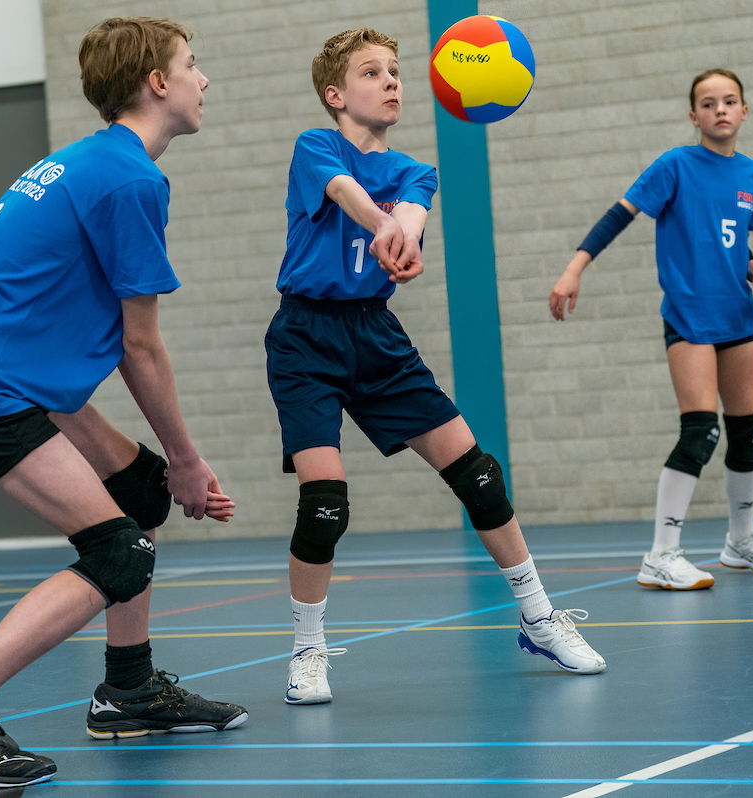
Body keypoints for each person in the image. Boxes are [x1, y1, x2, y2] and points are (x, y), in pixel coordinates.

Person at [0, 17, 247, 788]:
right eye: (192, 64)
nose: (203, 79)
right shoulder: (129, 178)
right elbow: (139, 345)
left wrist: (160, 469)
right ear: (156, 82)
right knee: (118, 550)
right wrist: (187, 459)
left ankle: (129, 691)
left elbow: (92, 328)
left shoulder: (94, 162)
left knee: (135, 494)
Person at [265, 28, 606, 707]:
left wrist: (405, 235)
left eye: (395, 71)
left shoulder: (417, 170)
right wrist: (382, 227)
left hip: (375, 335)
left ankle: (539, 618)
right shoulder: (315, 146)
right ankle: (307, 649)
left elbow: (411, 212)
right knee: (324, 504)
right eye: (372, 73)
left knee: (479, 476)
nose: (392, 81)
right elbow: (347, 196)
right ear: (336, 95)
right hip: (304, 337)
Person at [549, 68, 753, 591]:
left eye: (730, 101)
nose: (720, 110)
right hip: (689, 315)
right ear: (694, 116)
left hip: (736, 316)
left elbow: (726, 237)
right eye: (708, 103)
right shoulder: (676, 165)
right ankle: (661, 554)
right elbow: (620, 214)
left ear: (744, 111)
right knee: (701, 431)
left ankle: (741, 540)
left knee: (749, 430)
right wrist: (575, 268)